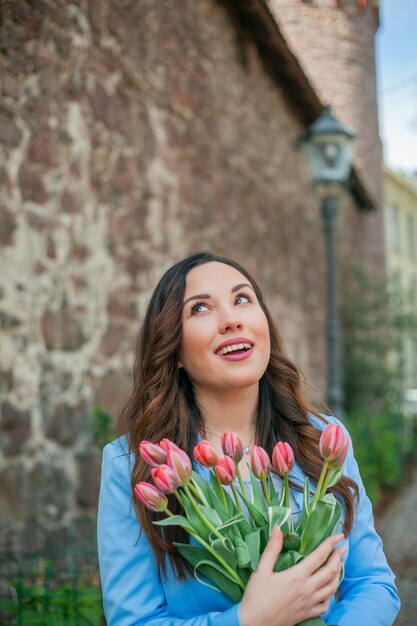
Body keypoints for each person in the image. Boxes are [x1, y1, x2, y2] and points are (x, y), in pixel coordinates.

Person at [97, 252, 400, 626]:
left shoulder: (320, 440)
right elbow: (134, 621)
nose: (231, 320)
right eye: (200, 309)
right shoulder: (133, 466)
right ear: (173, 349)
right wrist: (249, 619)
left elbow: (372, 582)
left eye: (242, 299)